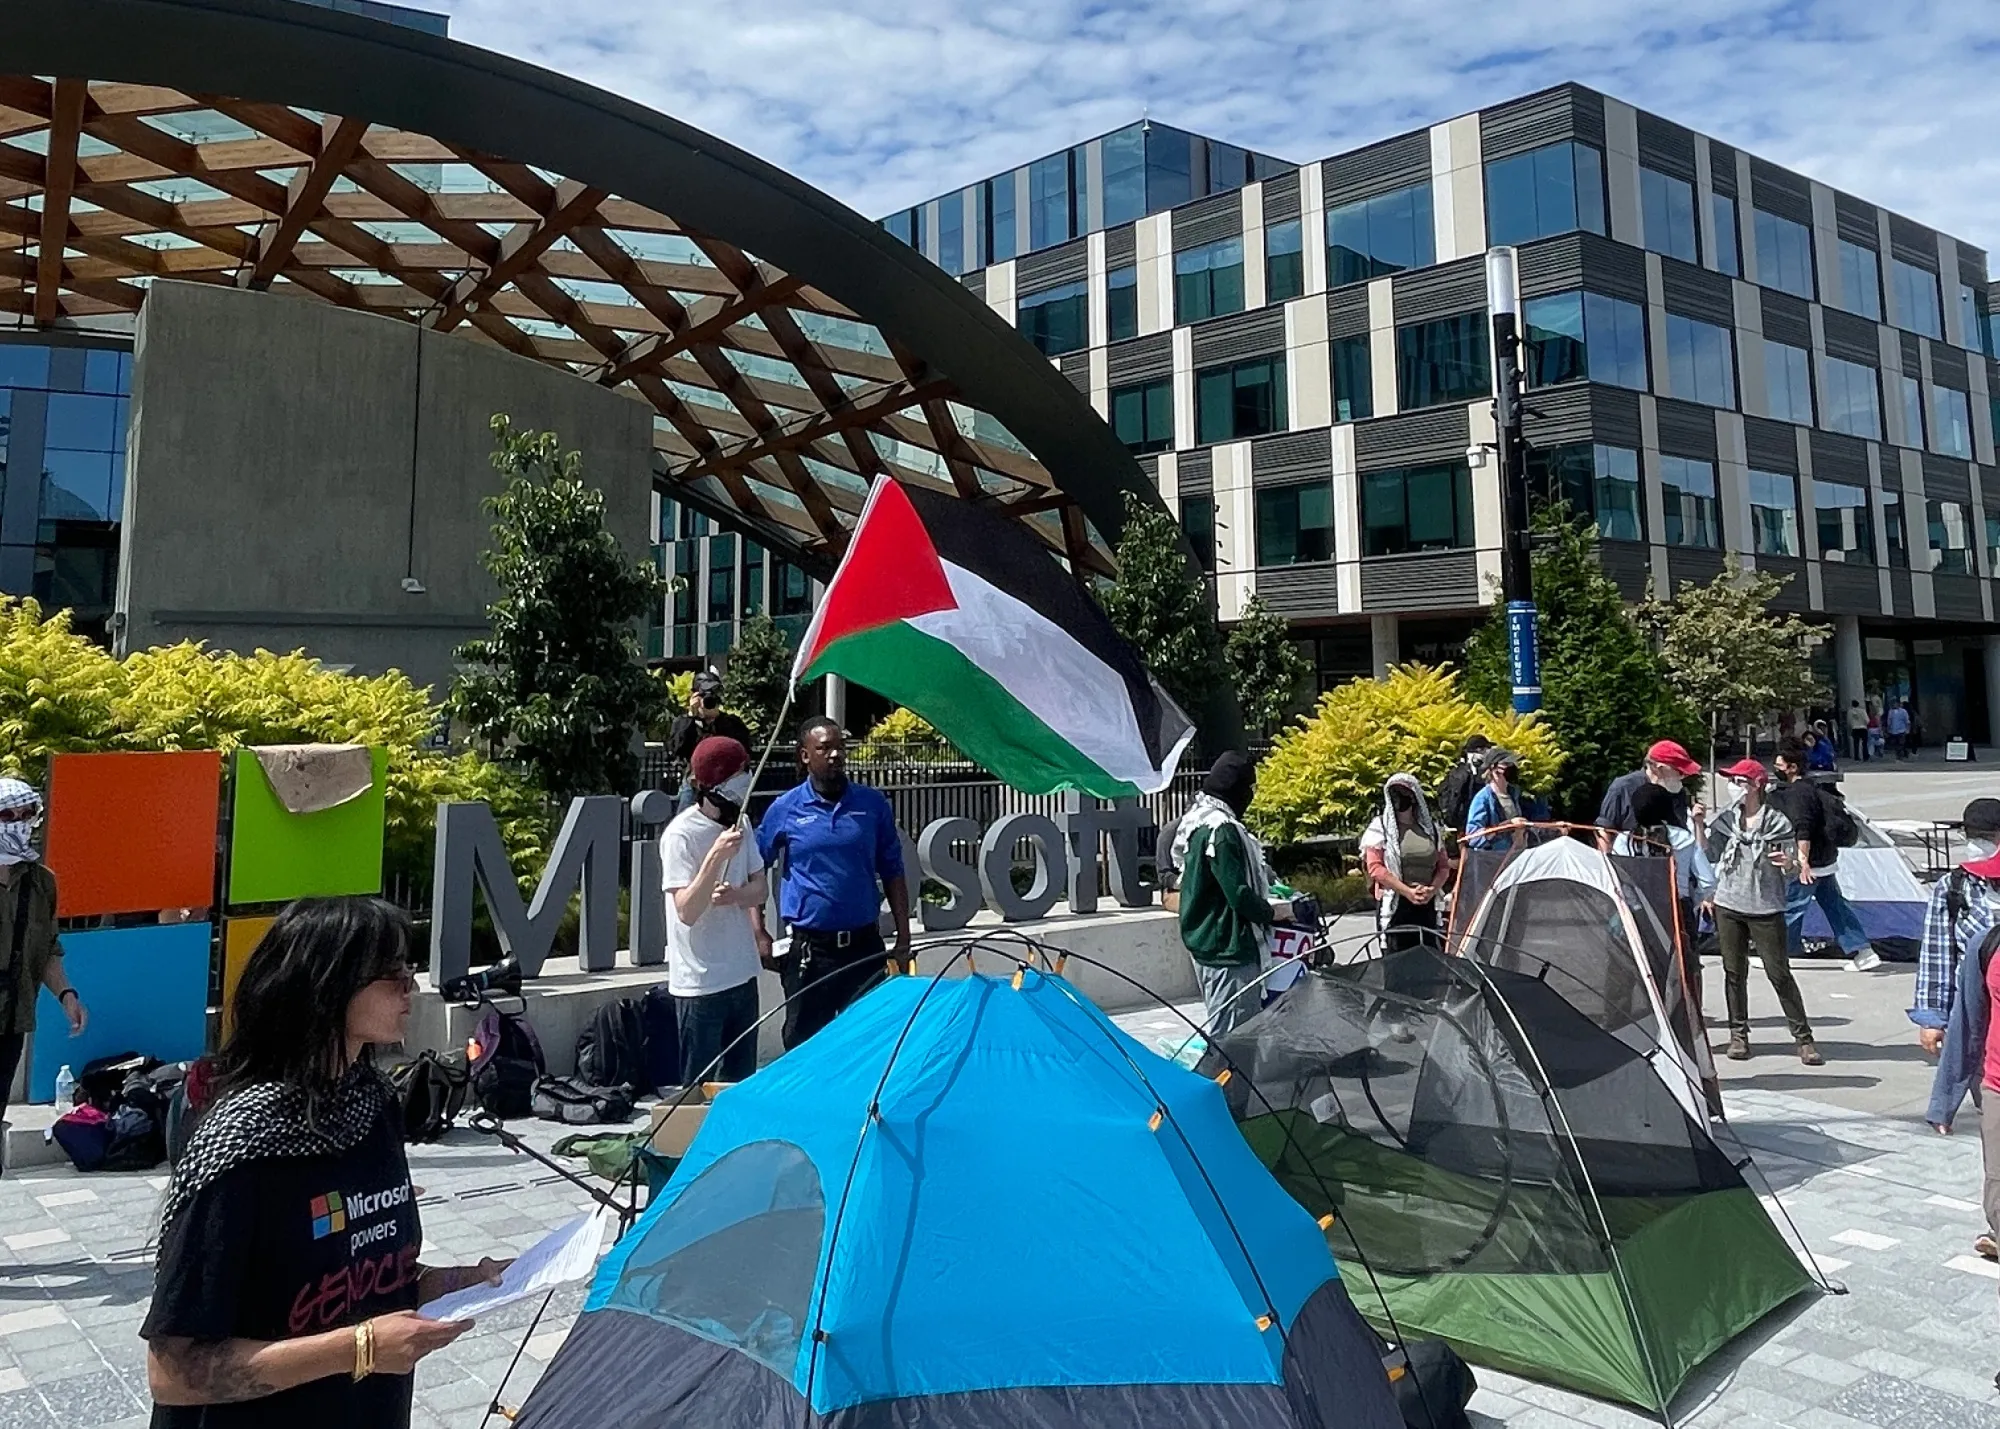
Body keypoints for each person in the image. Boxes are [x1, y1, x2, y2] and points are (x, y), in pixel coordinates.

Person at [143, 898, 508, 1428]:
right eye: (393, 974)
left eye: (410, 969)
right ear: (327, 988)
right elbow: (173, 1374)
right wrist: (360, 1349)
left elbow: (360, 1277)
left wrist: (452, 1282)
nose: (412, 987)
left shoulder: (374, 1103)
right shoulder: (243, 1142)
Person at [756, 717, 910, 1049]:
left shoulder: (872, 805)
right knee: (805, 1047)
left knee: (870, 1044)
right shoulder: (785, 809)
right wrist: (759, 932)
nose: (836, 755)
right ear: (805, 755)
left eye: (840, 747)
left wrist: (904, 935)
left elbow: (894, 870)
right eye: (824, 748)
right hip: (812, 952)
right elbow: (754, 868)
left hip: (864, 946)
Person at [1919, 802, 2000, 1260]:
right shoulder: (1952, 887)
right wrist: (1932, 1019)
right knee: (1995, 1130)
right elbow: (1935, 954)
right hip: (1975, 1027)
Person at [661, 736, 767, 1086]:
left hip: (741, 973)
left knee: (740, 1084)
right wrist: (715, 858)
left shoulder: (742, 824)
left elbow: (760, 888)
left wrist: (736, 895)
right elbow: (686, 910)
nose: (746, 780)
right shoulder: (681, 835)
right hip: (701, 983)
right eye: (739, 773)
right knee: (698, 1088)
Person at [1704, 759, 1819, 1065]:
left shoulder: (1778, 823)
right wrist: (1697, 826)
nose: (1733, 787)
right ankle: (1738, 1035)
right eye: (1732, 781)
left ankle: (1803, 1039)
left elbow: (1794, 867)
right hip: (1728, 904)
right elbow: (1709, 855)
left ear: (1756, 785)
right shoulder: (1726, 820)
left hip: (1766, 907)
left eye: (1739, 782)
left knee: (1778, 973)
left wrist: (1789, 864)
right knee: (1733, 972)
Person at [0, 776, 86, 1166]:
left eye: (26, 814)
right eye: (6, 815)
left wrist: (67, 995)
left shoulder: (42, 883)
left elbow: (48, 948)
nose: (18, 823)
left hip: (11, 1019)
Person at [1176, 753, 1291, 1036]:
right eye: (1248, 788)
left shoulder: (1197, 821)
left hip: (1205, 943)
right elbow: (1237, 893)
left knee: (1223, 1028)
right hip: (1228, 946)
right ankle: (1226, 1082)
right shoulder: (1223, 830)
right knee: (1233, 1038)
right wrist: (1273, 911)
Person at [1770, 741, 1878, 969]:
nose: (1775, 768)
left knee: (1792, 907)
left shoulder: (1798, 793)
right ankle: (1862, 950)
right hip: (1825, 860)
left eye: (1779, 765)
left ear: (1792, 768)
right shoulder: (1813, 788)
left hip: (1811, 861)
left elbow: (1803, 828)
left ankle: (1779, 953)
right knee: (1835, 906)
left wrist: (1802, 861)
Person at [1614, 781, 1716, 1006]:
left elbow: (1621, 882)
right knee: (1684, 969)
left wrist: (1635, 904)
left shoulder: (1624, 841)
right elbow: (1708, 881)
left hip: (1639, 912)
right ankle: (1687, 1024)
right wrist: (1691, 901)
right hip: (1678, 909)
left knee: (1636, 968)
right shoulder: (1684, 838)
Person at [1362, 774, 1450, 953]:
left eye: (1403, 793)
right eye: (1394, 793)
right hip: (1396, 904)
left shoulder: (1430, 829)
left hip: (1427, 904)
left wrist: (1431, 890)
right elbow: (1375, 868)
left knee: (1429, 958)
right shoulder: (1380, 827)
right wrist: (1407, 891)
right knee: (1397, 961)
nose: (1399, 798)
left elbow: (1443, 866)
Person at [667, 672, 752, 812]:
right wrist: (692, 718)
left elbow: (743, 749)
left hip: (726, 785)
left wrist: (717, 719)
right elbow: (676, 749)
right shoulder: (683, 723)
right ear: (694, 696)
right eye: (704, 695)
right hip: (694, 785)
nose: (709, 700)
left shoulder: (732, 724)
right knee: (686, 822)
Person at [1594, 740, 1701, 849]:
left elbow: (1682, 835)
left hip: (1670, 861)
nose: (1683, 777)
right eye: (1680, 771)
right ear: (1659, 769)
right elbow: (1604, 831)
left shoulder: (1677, 792)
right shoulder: (1623, 788)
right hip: (1629, 859)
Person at [1464, 749, 1548, 852]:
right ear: (1493, 768)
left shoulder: (1515, 794)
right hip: (1494, 860)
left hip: (1518, 856)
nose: (1511, 767)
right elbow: (1473, 837)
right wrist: (1508, 825)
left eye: (1512, 764)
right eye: (1506, 764)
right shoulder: (1482, 799)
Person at [1434, 734, 1492, 834]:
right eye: (1485, 749)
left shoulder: (1482, 771)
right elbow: (1455, 801)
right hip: (1465, 827)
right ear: (1478, 751)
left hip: (1480, 824)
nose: (1488, 753)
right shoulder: (1461, 774)